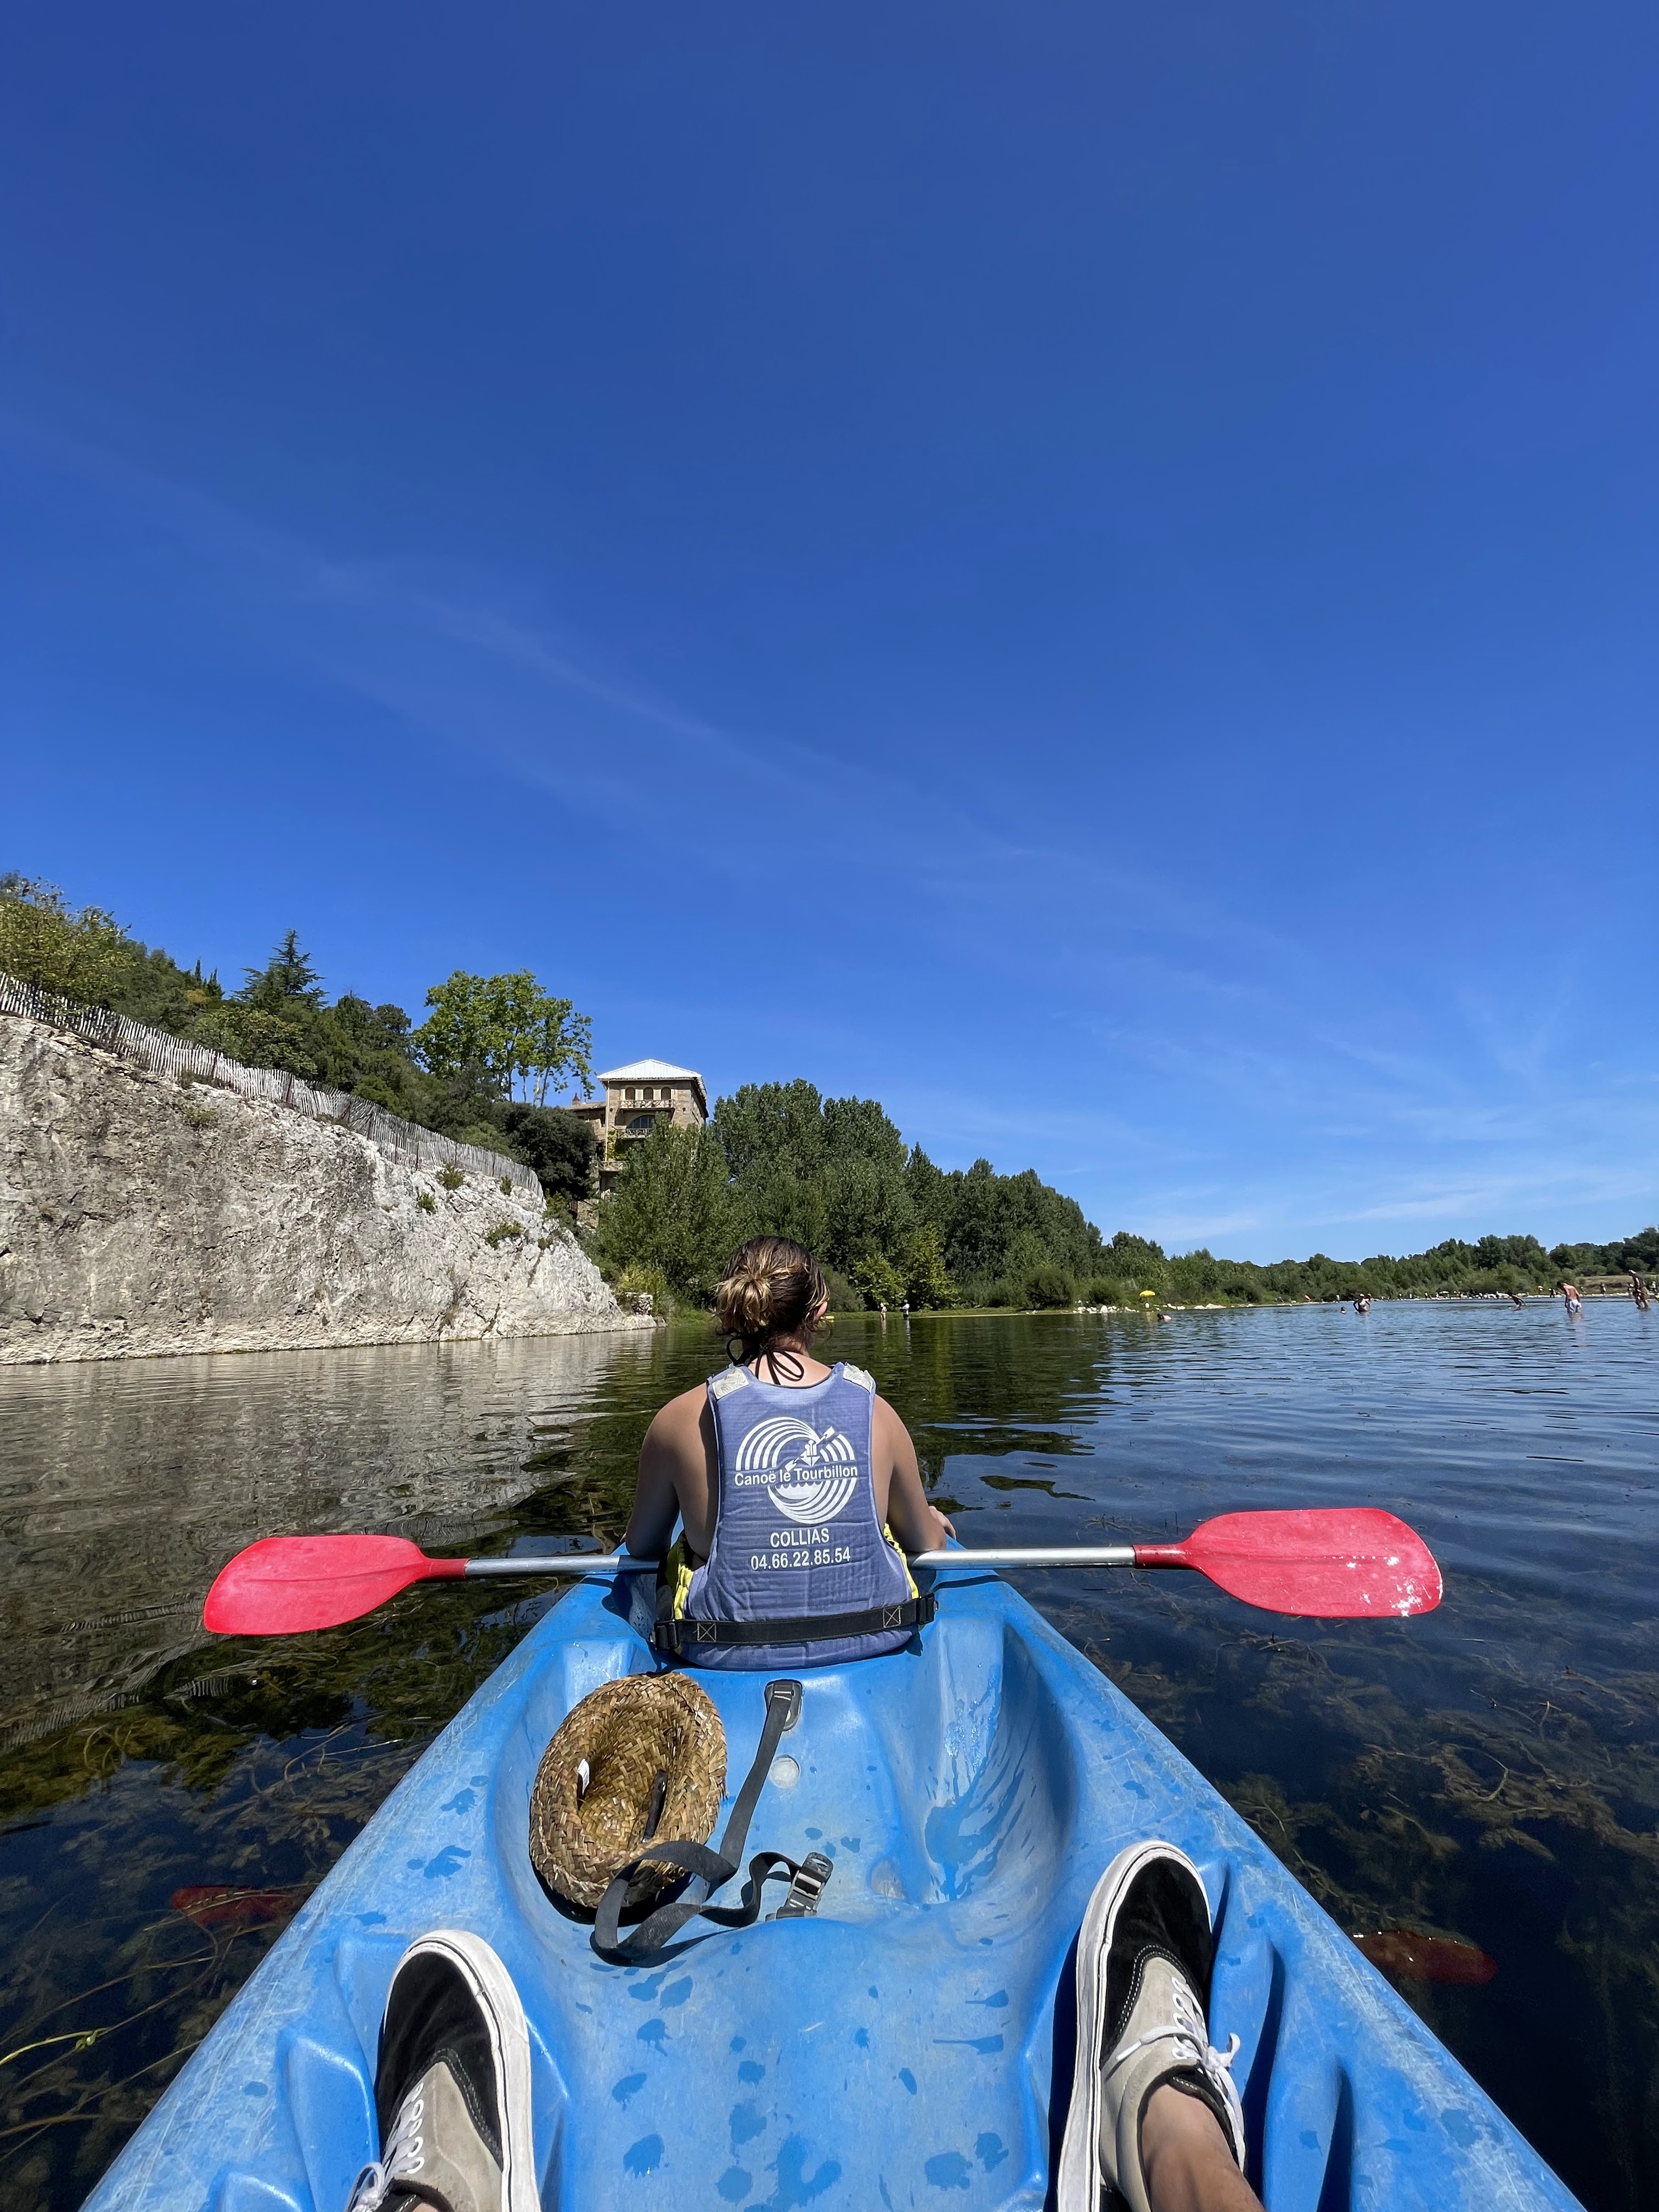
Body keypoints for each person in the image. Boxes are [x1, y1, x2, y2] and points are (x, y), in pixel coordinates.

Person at [347, 1845, 1264, 2212]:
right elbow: (919, 1539)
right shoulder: (887, 1467)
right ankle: (1169, 2140)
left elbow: (651, 1548)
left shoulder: (680, 1456)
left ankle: (436, 2206)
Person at [624, 1237, 953, 1667]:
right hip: (877, 1635)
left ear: (734, 1311)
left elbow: (643, 1547)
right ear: (819, 1310)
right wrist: (929, 1519)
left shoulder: (677, 1419)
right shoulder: (877, 1413)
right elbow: (927, 1544)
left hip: (720, 1650)